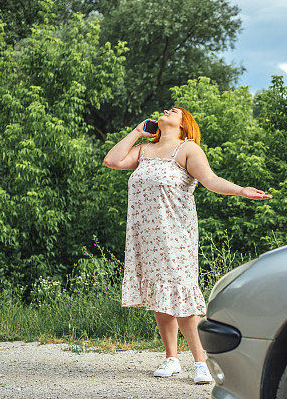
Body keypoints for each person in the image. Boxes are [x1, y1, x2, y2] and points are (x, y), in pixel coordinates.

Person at [103, 107, 271, 384]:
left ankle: (201, 362)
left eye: (175, 111)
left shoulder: (188, 149)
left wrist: (241, 190)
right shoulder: (144, 150)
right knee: (161, 293)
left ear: (184, 124)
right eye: (167, 109)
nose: (167, 110)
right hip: (146, 235)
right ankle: (171, 359)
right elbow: (112, 160)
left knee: (181, 293)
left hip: (175, 233)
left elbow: (210, 180)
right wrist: (136, 132)